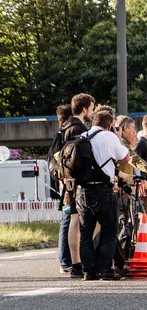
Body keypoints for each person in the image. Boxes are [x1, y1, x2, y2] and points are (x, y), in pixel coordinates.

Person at [69, 107, 147, 280]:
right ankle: (106, 270)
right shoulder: (109, 136)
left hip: (82, 191)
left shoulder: (82, 137)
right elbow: (125, 157)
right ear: (109, 125)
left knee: (86, 232)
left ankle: (88, 271)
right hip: (103, 190)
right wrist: (117, 136)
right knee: (108, 229)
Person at [49, 103, 84, 274]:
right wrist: (64, 182)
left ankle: (66, 260)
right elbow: (62, 161)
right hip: (67, 183)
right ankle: (65, 260)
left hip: (64, 182)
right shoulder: (67, 134)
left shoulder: (59, 134)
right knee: (68, 220)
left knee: (68, 219)